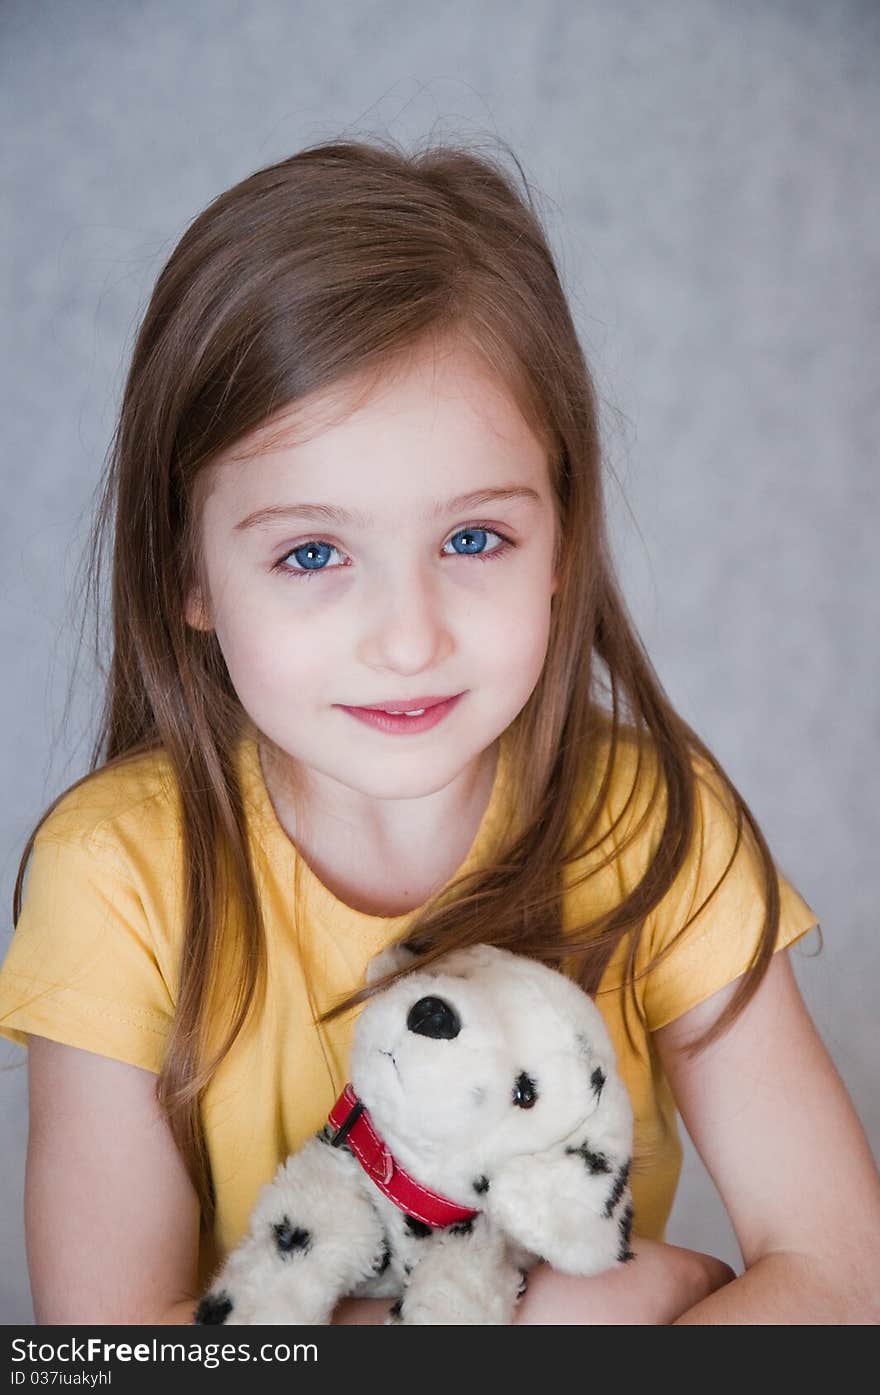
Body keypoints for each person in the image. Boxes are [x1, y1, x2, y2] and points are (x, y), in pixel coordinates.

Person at [2, 137, 878, 1328]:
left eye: (472, 540)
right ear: (189, 576)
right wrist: (569, 1327)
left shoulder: (650, 824)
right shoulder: (116, 877)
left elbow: (842, 1271)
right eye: (312, 554)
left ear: (561, 538)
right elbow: (108, 1357)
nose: (407, 640)